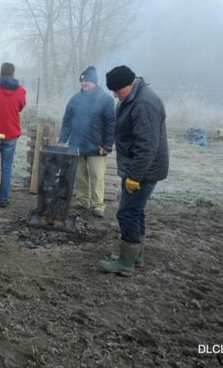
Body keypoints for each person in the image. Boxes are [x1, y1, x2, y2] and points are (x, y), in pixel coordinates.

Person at [99, 66, 168, 276]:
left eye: (118, 90)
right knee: (135, 211)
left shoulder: (144, 104)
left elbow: (147, 146)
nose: (115, 95)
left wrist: (135, 176)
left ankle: (126, 262)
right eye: (113, 91)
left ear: (130, 83)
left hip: (143, 170)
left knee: (126, 212)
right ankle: (136, 256)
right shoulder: (132, 97)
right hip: (136, 166)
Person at [58, 66, 115, 217]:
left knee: (97, 176)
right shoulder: (75, 99)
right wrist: (63, 139)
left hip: (97, 146)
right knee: (80, 175)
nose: (83, 84)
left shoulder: (105, 100)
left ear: (94, 82)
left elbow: (110, 124)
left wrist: (108, 145)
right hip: (77, 144)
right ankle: (83, 201)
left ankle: (98, 205)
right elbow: (67, 120)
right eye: (82, 81)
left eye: (87, 81)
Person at [0, 62, 27, 207]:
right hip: (11, 133)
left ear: (0, 72)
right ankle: (3, 199)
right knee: (6, 167)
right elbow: (20, 107)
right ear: (13, 74)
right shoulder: (20, 91)